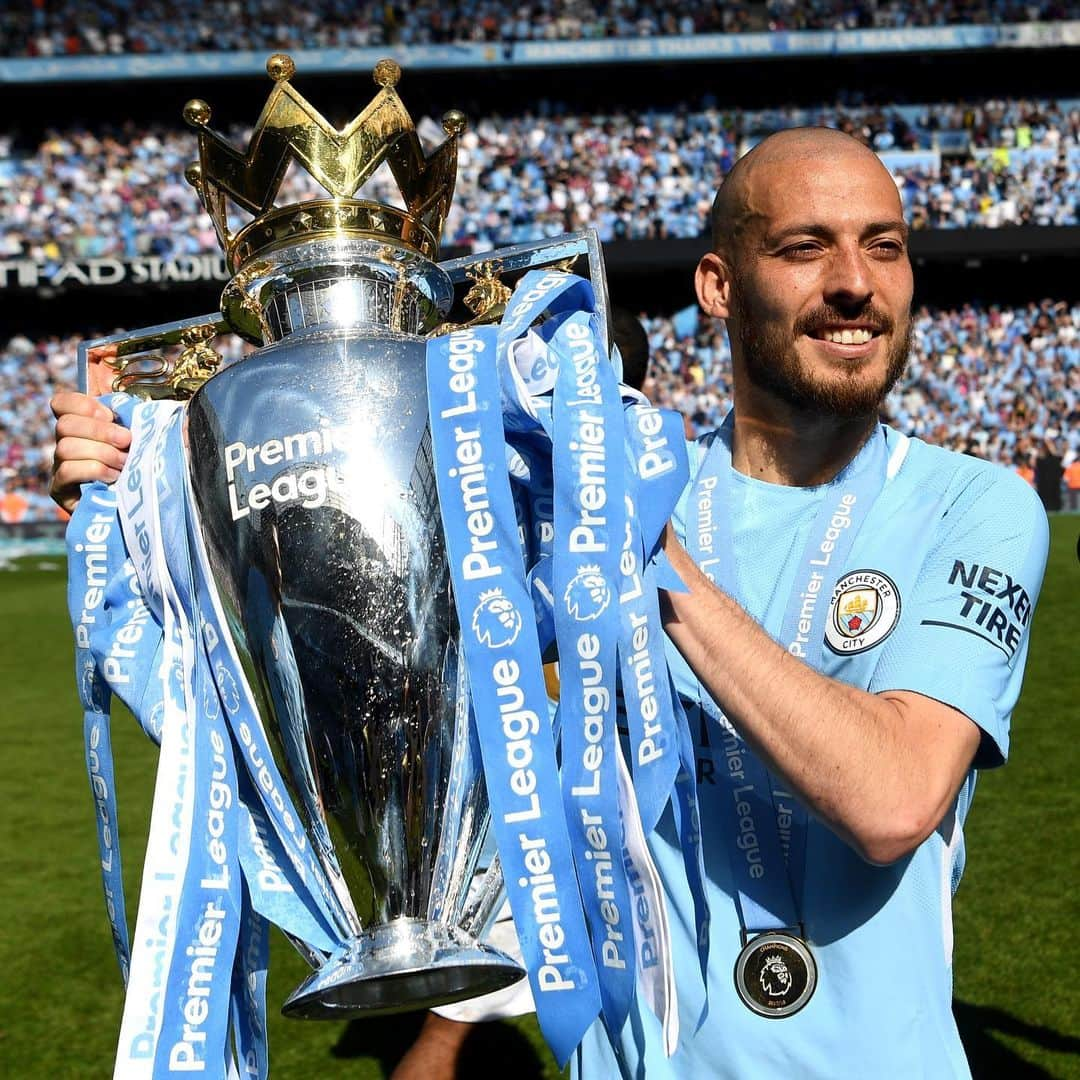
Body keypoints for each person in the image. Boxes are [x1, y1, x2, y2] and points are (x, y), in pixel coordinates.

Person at [50, 129, 1049, 1079]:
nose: (855, 284)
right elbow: (411, 724)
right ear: (718, 285)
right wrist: (162, 527)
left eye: (887, 249)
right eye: (804, 248)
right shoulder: (581, 501)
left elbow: (892, 801)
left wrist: (636, 554)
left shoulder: (976, 505)